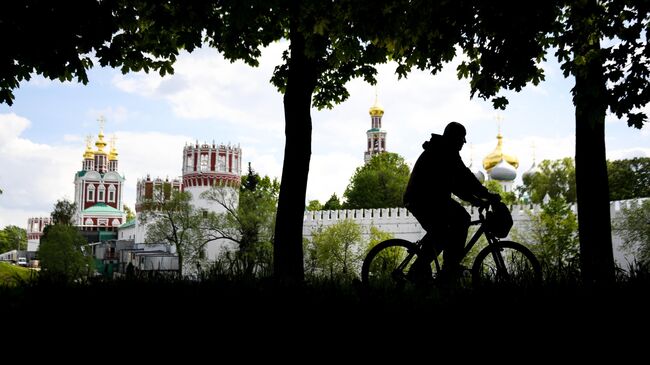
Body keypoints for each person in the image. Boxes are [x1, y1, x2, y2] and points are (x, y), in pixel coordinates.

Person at [403, 122, 500, 285]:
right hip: (423, 199)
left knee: (441, 232)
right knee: (460, 220)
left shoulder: (443, 149)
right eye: (462, 138)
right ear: (454, 137)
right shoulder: (445, 151)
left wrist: (476, 199)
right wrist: (486, 195)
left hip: (429, 199)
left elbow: (457, 184)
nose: (463, 142)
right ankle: (447, 267)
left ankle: (433, 269)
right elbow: (464, 178)